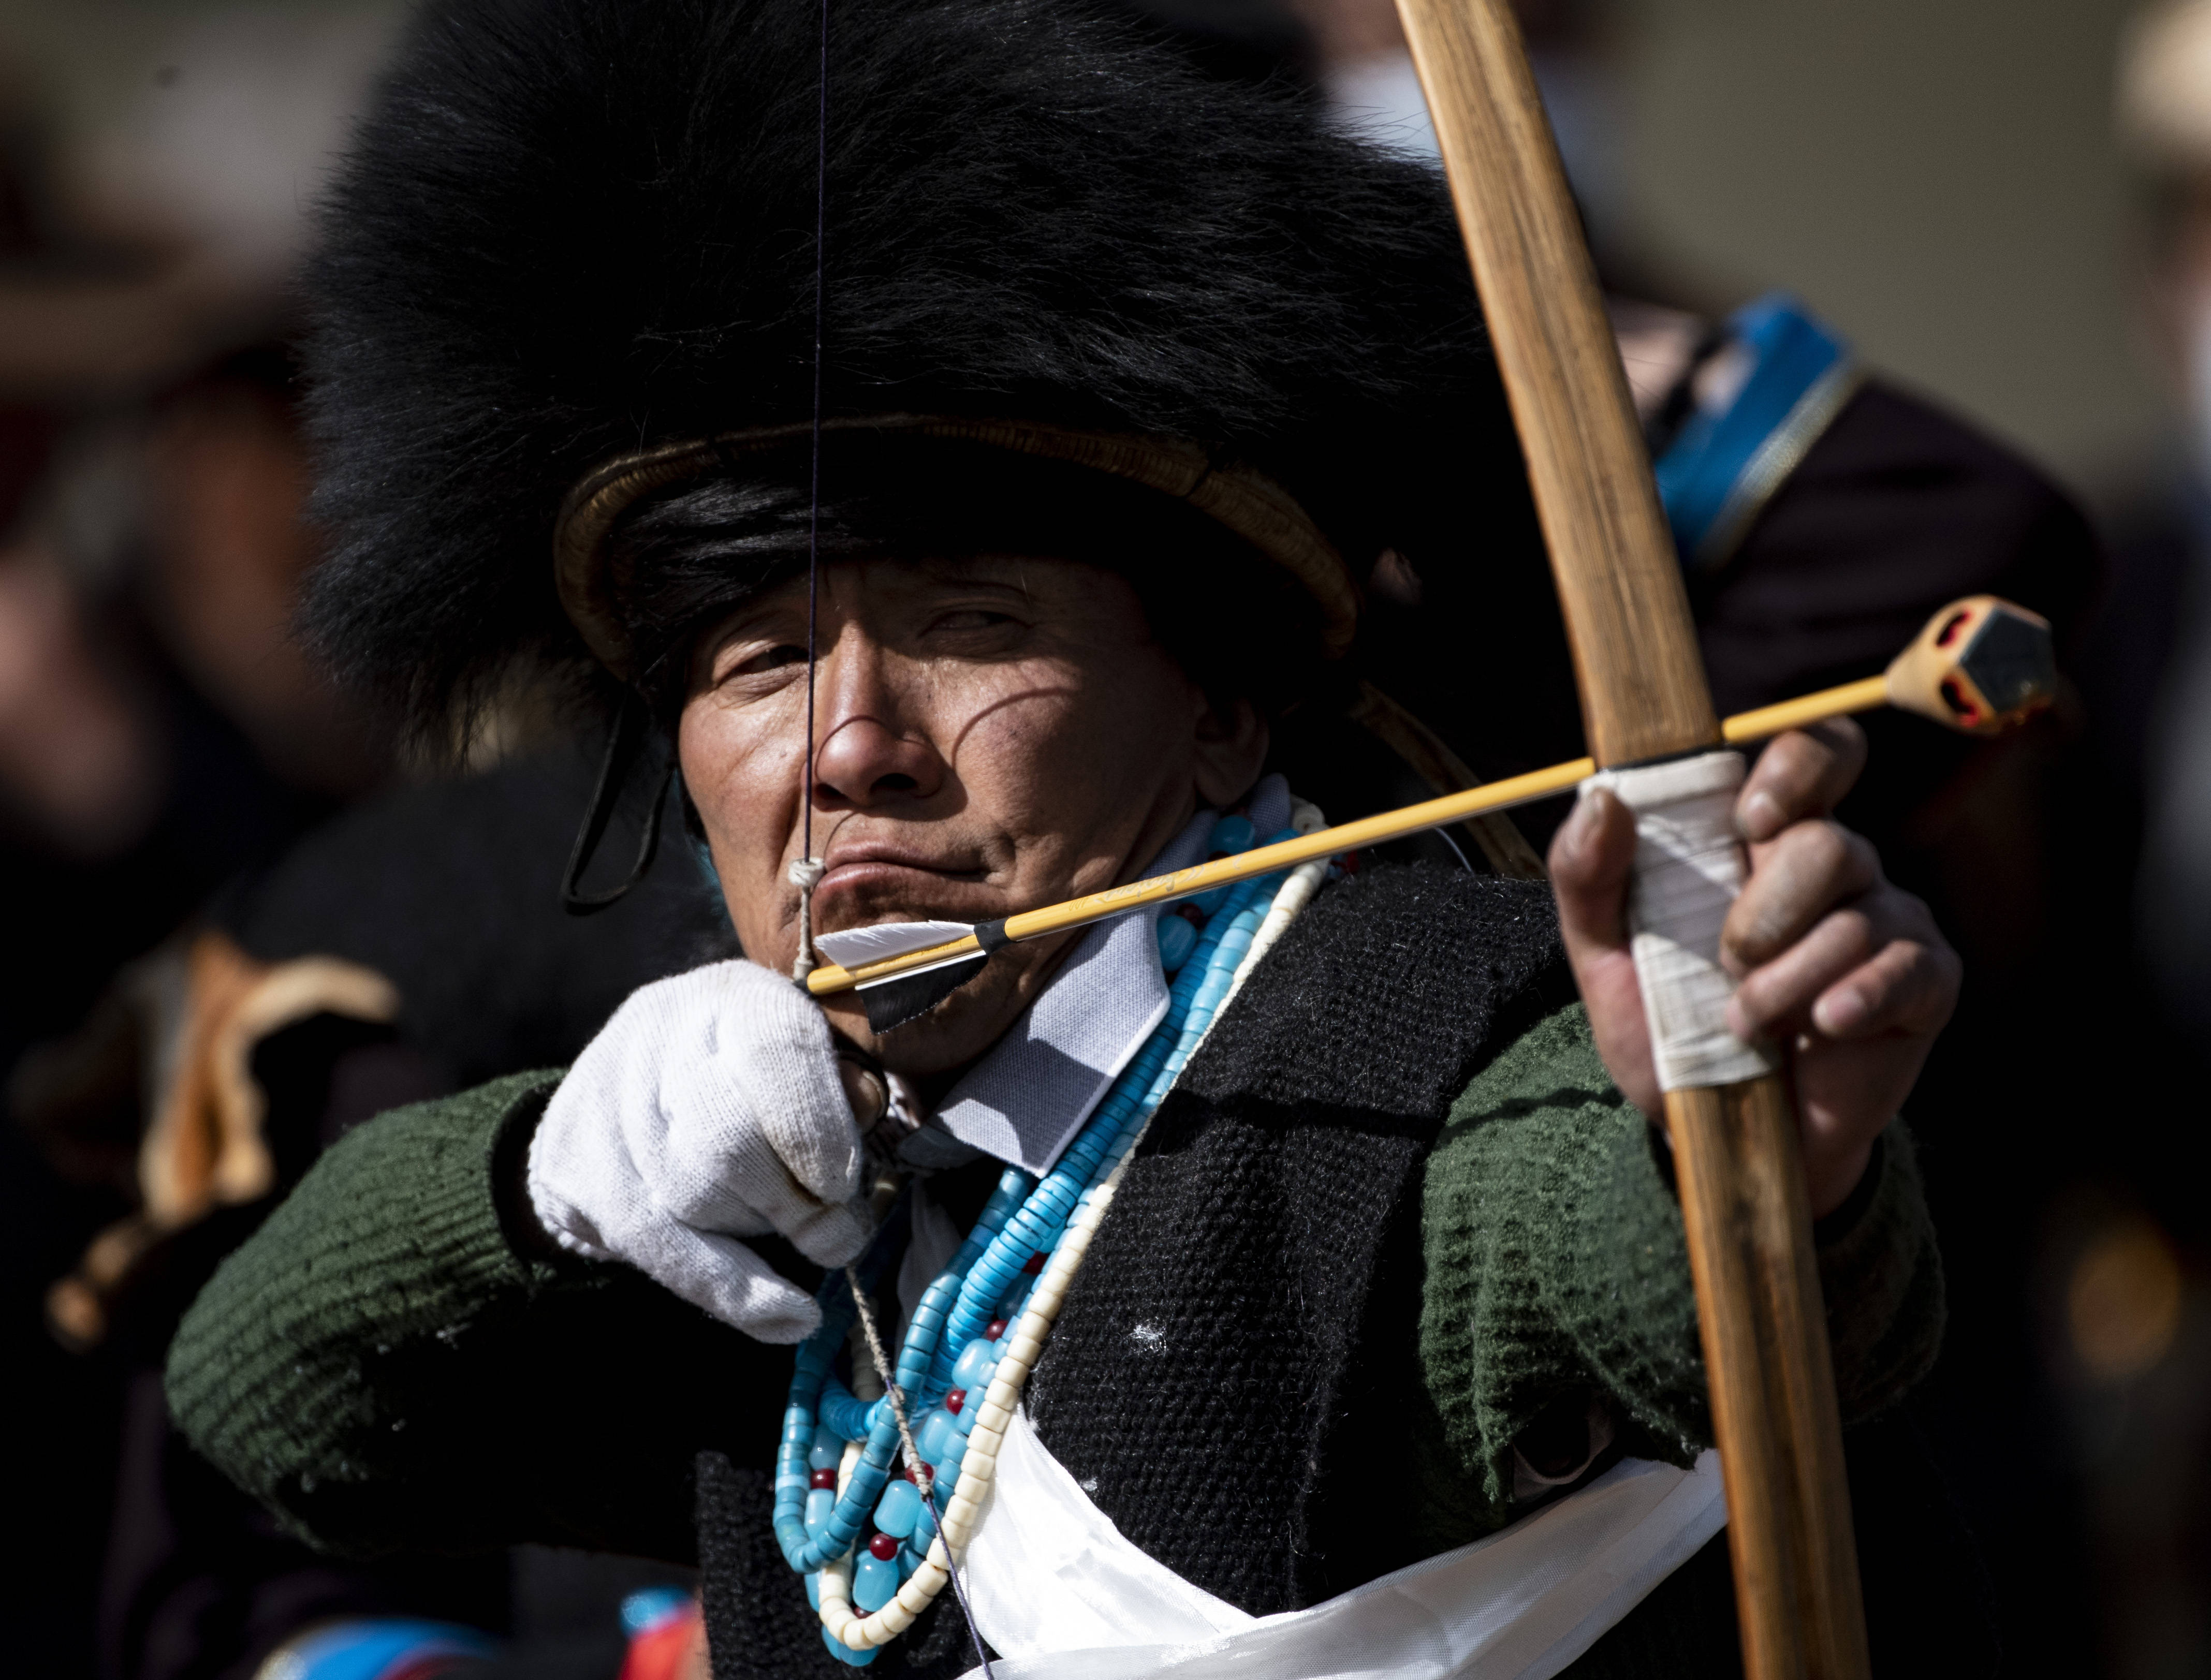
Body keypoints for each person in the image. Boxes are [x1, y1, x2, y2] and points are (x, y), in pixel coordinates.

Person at [164, 0, 1982, 1674]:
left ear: (1218, 701)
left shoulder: (1418, 1042)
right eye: (762, 662)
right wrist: (541, 1185)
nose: (852, 746)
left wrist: (1751, 1159)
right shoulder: (746, 1152)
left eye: (969, 626)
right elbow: (270, 1407)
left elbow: (1603, 1257)